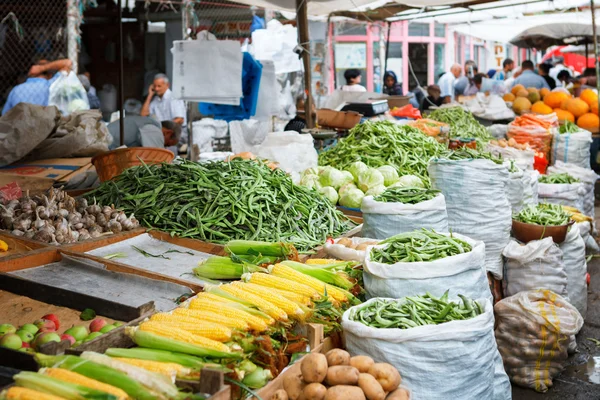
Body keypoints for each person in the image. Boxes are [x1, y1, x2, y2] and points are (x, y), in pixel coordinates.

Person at [2, 58, 72, 115]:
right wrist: (43, 67)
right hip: (45, 129)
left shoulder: (16, 90)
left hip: (19, 129)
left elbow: (5, 115)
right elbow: (68, 63)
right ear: (50, 75)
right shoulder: (51, 85)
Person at [107, 116, 180, 150]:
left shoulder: (150, 124)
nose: (165, 146)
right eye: (167, 144)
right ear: (168, 133)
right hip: (105, 143)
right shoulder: (155, 130)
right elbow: (156, 156)